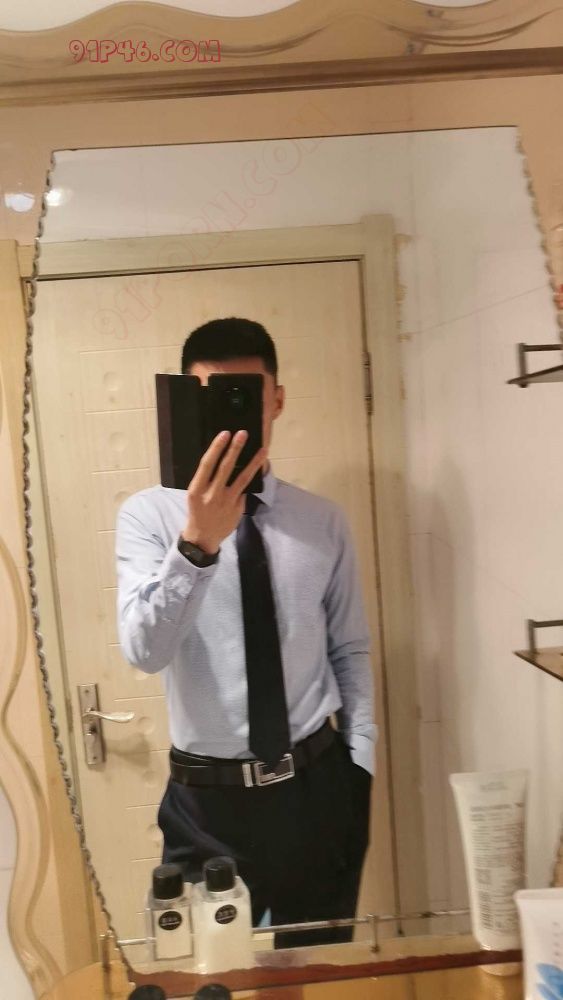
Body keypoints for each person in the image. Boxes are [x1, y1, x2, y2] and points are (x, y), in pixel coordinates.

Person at [115, 316, 377, 947]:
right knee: (199, 972)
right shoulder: (150, 518)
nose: (230, 417)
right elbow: (145, 652)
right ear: (187, 401)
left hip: (317, 790)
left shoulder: (322, 521)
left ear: (276, 399)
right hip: (204, 806)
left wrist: (359, 768)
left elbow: (349, 648)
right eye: (212, 397)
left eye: (245, 395)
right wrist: (197, 543)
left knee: (313, 970)